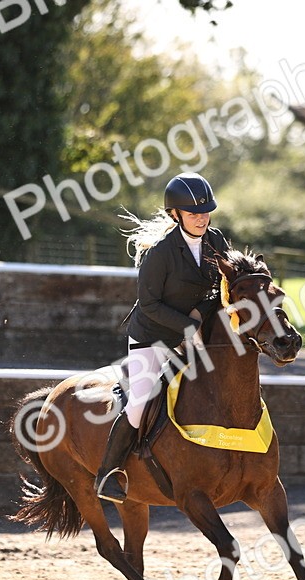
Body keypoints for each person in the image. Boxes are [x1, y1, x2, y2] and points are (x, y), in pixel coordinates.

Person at [95, 172, 230, 503]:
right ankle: (108, 474)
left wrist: (200, 313)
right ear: (176, 215)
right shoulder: (160, 253)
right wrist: (189, 325)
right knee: (140, 403)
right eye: (193, 213)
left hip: (195, 333)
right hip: (153, 339)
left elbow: (222, 288)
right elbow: (150, 305)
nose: (201, 218)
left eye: (205, 211)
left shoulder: (217, 242)